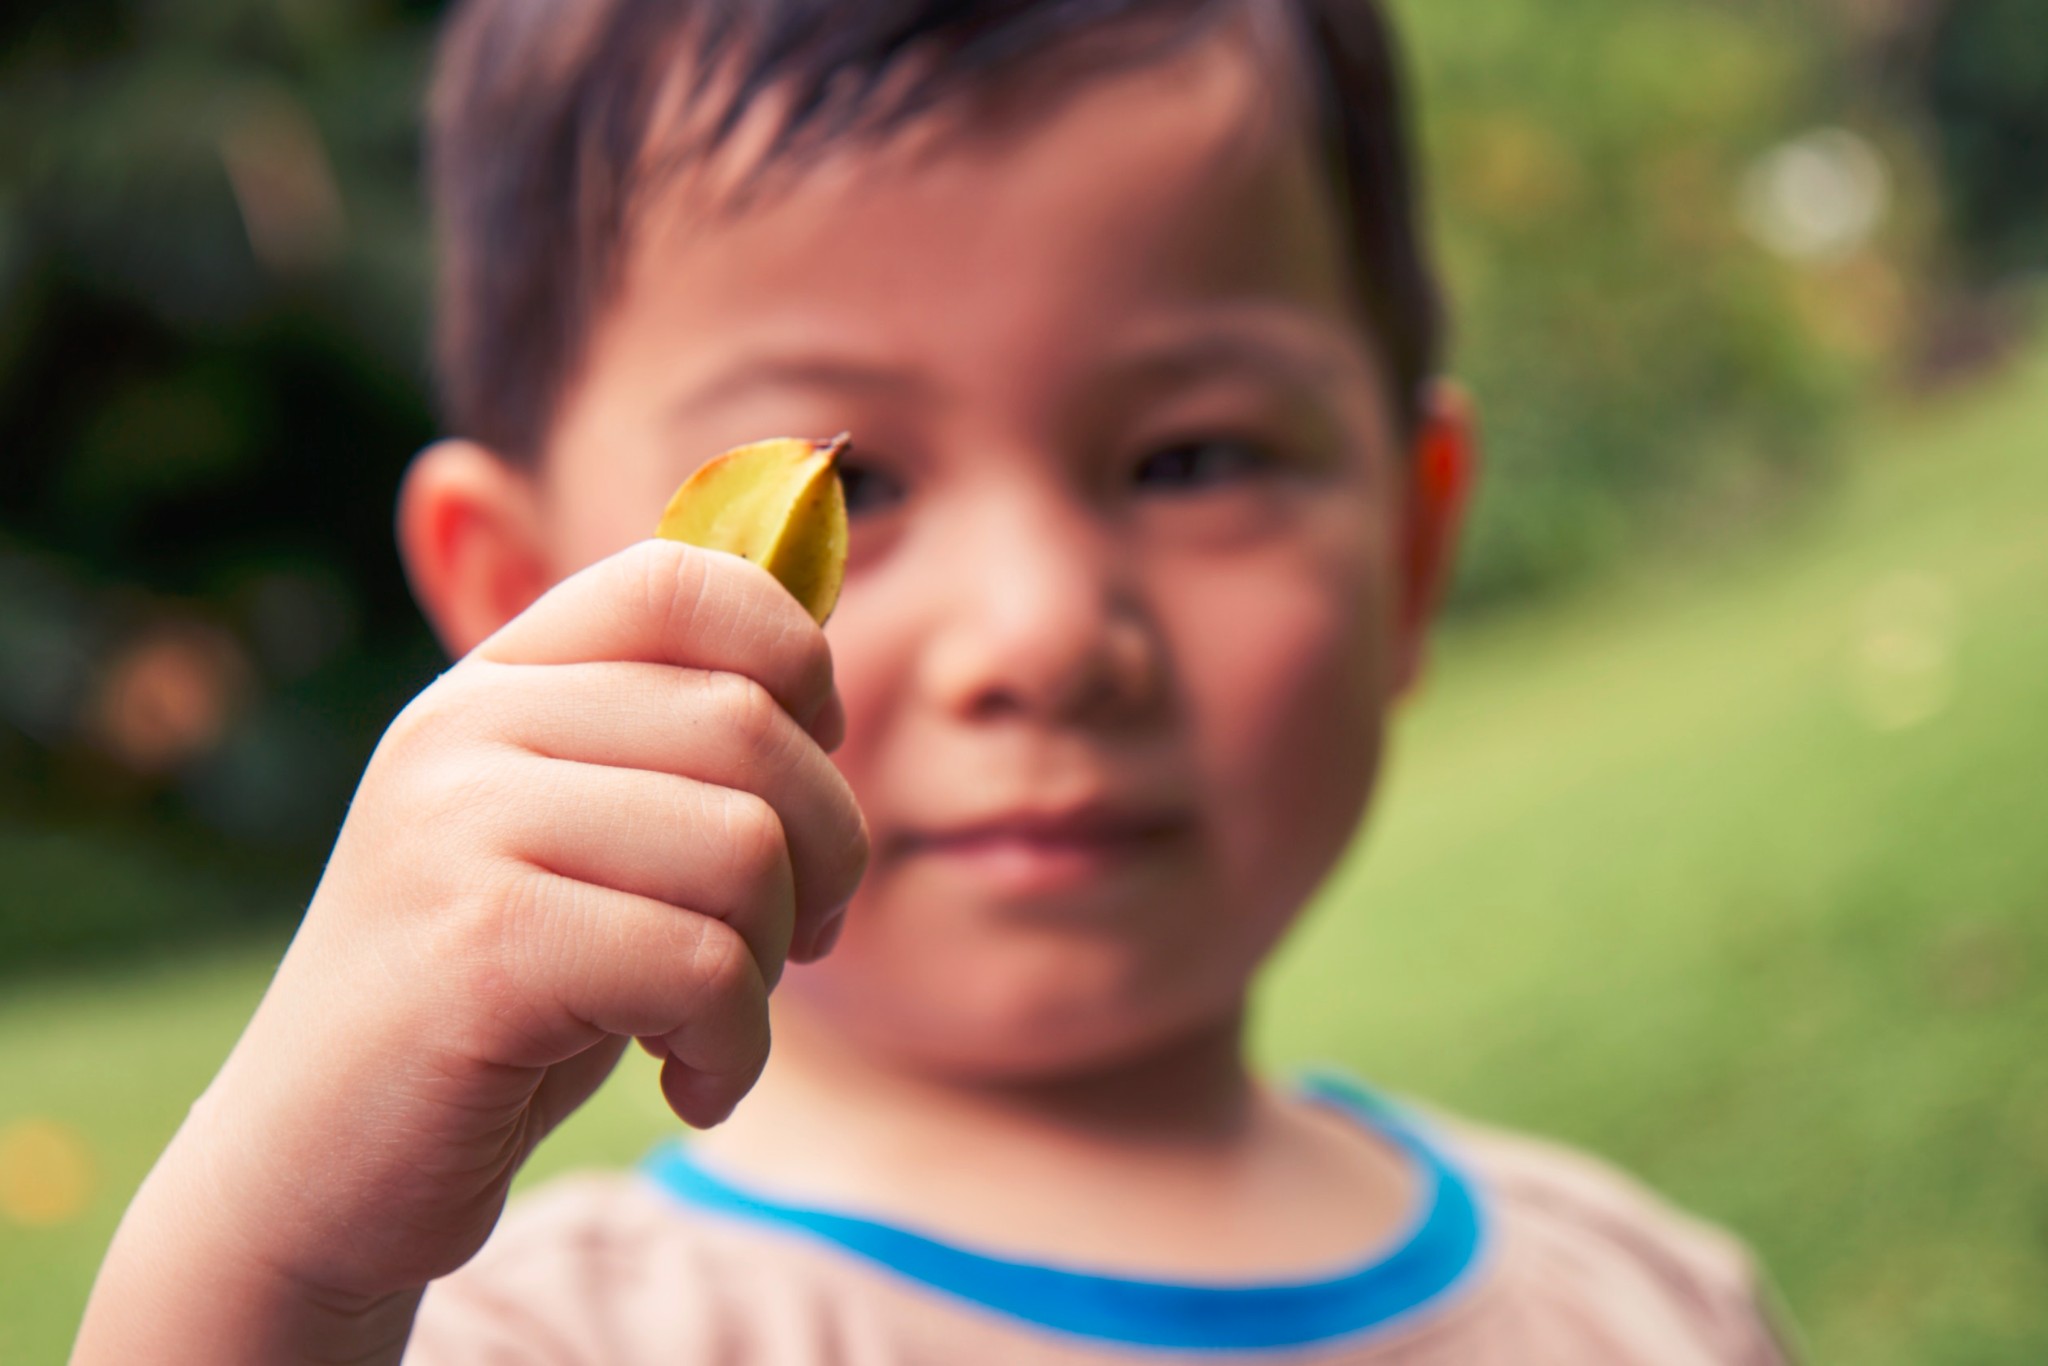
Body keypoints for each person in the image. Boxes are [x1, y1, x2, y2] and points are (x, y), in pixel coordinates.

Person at [74, 1, 1797, 1361]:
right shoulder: (523, 1336)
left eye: (1192, 460)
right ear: (524, 601)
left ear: (1412, 547)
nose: (1046, 634)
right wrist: (276, 1249)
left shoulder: (1656, 1302)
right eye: (858, 493)